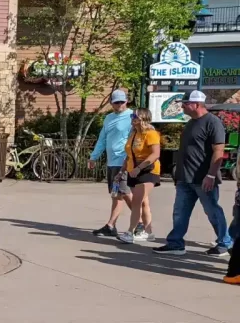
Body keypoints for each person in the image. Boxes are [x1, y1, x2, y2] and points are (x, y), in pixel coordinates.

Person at [156, 90, 232, 256]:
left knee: (212, 211)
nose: (182, 106)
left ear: (196, 104)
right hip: (185, 178)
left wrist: (211, 175)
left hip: (203, 178)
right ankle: (175, 243)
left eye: (184, 103)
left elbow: (218, 151)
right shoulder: (190, 123)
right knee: (179, 212)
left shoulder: (212, 122)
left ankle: (224, 243)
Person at [89, 90, 134, 238]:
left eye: (122, 101)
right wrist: (93, 157)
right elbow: (102, 139)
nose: (120, 104)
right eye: (117, 102)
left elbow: (137, 139)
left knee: (124, 192)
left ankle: (140, 222)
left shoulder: (132, 117)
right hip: (111, 162)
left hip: (124, 161)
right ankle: (111, 226)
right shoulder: (108, 118)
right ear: (112, 103)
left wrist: (131, 159)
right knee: (117, 194)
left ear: (126, 101)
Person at [116, 109, 161, 244]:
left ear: (143, 118)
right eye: (132, 116)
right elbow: (129, 155)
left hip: (147, 170)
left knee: (136, 201)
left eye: (135, 116)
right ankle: (149, 232)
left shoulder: (151, 133)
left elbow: (155, 154)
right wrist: (122, 171)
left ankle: (130, 232)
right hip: (132, 171)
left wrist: (139, 168)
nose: (132, 118)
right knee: (143, 202)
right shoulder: (134, 133)